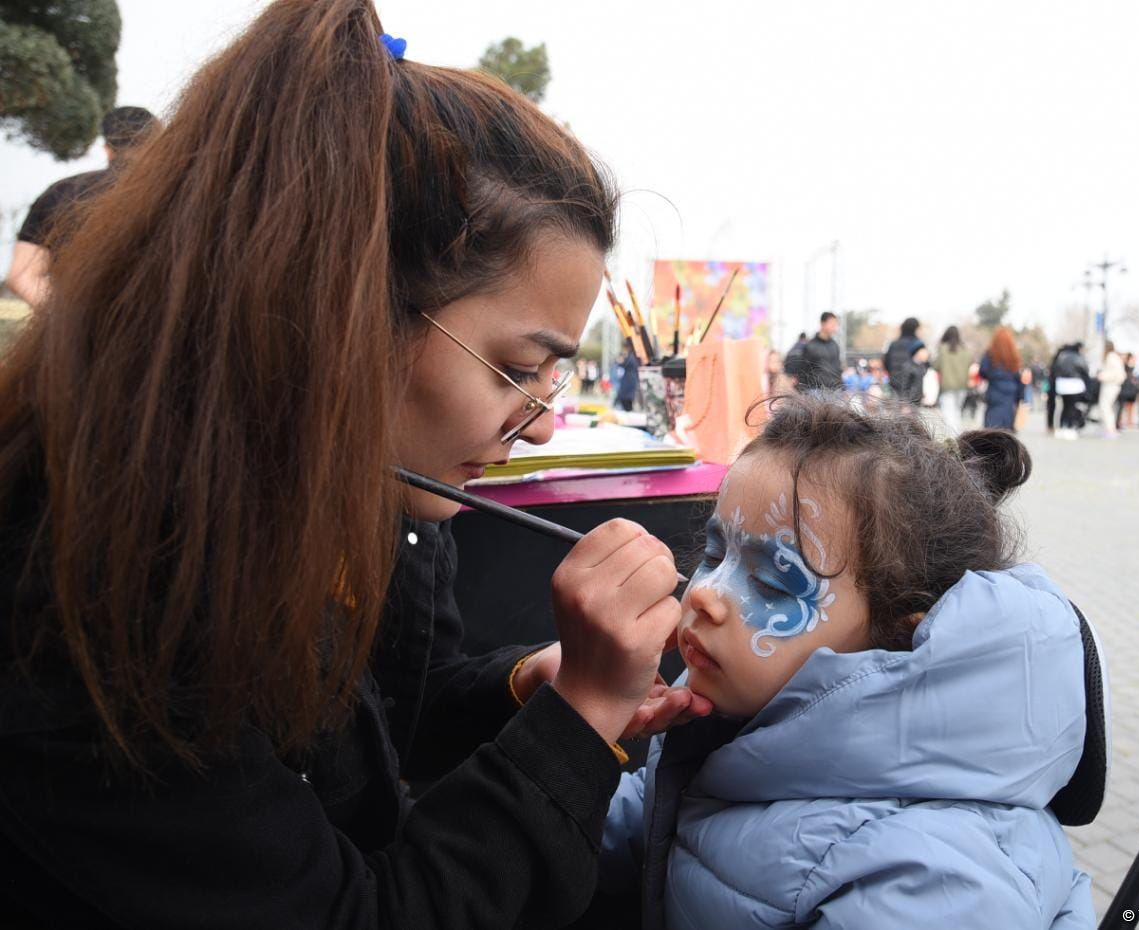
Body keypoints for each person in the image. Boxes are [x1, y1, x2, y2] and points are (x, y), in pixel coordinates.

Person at [0, 3, 713, 926]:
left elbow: (372, 725)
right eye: (517, 368)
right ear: (345, 310)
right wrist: (576, 725)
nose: (540, 430)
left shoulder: (361, 483)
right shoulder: (96, 597)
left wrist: (531, 687)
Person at [597, 393, 1093, 929]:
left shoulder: (926, 879)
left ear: (896, 641)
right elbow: (630, 828)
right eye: (716, 555)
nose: (704, 594)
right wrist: (577, 725)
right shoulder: (732, 733)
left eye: (773, 584)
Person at [5, 106, 158, 306]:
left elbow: (21, 275)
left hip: (73, 319)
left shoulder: (62, 192)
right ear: (157, 144)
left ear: (107, 149)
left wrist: (65, 314)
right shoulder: (172, 193)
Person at [979, 326, 1023, 430]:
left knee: (992, 422)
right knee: (1006, 419)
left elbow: (982, 371)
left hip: (994, 390)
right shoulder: (1013, 354)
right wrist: (1020, 396)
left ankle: (991, 436)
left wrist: (992, 376)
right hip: (1010, 392)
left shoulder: (990, 353)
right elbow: (1017, 375)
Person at [935, 325, 973, 434]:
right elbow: (970, 364)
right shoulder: (965, 350)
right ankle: (957, 435)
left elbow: (936, 365)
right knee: (957, 412)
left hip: (947, 385)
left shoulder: (943, 349)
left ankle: (952, 436)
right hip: (962, 385)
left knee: (948, 413)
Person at [1050, 342, 1089, 439]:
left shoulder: (1061, 356)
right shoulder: (1079, 357)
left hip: (1062, 385)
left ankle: (1061, 428)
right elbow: (1085, 370)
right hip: (1074, 385)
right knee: (1071, 407)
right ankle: (1070, 428)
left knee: (1064, 407)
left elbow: (1055, 370)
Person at [796, 312, 843, 392]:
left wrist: (841, 386)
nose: (834, 327)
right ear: (823, 324)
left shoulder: (835, 345)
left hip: (835, 391)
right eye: (832, 324)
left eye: (835, 324)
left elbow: (838, 369)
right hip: (815, 391)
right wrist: (803, 390)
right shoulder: (811, 346)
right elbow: (802, 371)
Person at [884, 316, 925, 403]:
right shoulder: (919, 344)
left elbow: (886, 363)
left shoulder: (893, 344)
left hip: (895, 384)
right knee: (912, 410)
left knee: (895, 409)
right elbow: (924, 365)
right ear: (916, 329)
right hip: (913, 386)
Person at [1096, 341, 1126, 438]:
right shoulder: (1113, 357)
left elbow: (1119, 374)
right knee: (1107, 407)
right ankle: (1109, 428)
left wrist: (1102, 375)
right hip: (1110, 385)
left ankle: (1110, 429)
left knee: (1105, 407)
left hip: (1111, 385)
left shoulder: (1111, 357)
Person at [615, 344, 640, 411]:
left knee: (626, 397)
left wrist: (619, 360)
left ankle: (628, 409)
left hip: (629, 380)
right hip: (629, 379)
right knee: (626, 397)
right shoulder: (632, 356)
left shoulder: (630, 357)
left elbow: (622, 364)